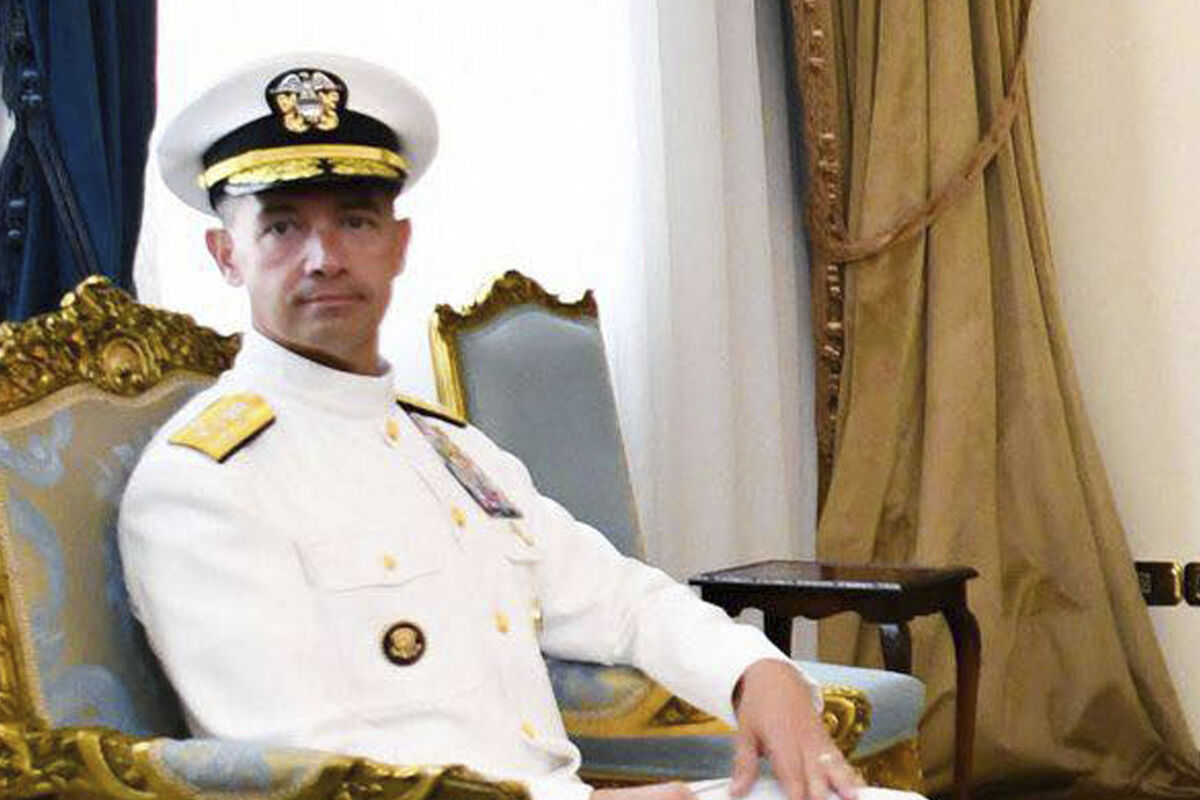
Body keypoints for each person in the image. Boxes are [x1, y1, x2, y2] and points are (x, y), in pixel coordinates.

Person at [118, 53, 921, 800]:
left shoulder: (450, 449)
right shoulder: (204, 483)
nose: (324, 256)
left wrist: (756, 672)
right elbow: (309, 770)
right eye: (282, 226)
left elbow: (623, 599)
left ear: (398, 245)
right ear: (226, 254)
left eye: (356, 222)